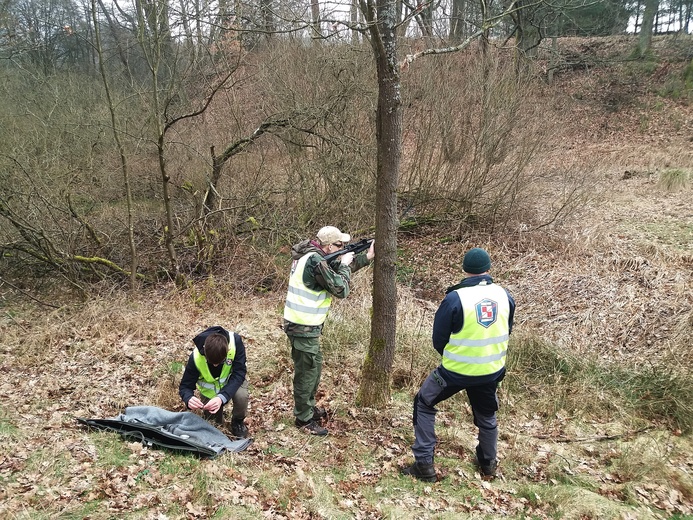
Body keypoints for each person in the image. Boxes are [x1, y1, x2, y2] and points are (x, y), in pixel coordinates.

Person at [402, 247, 515, 482]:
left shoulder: (455, 298)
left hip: (455, 372)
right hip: (490, 371)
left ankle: (424, 464)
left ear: (464, 270)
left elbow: (438, 339)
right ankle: (488, 463)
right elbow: (507, 330)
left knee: (423, 402)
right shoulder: (505, 296)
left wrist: (456, 356)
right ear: (488, 269)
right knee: (486, 415)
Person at [283, 226, 375, 435]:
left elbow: (334, 271)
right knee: (307, 373)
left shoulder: (312, 256)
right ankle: (303, 419)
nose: (342, 249)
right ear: (328, 246)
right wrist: (344, 264)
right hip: (302, 327)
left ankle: (307, 408)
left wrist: (367, 256)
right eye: (339, 245)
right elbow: (340, 288)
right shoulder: (315, 260)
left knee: (313, 369)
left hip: (305, 326)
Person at [179, 326, 250, 439]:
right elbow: (185, 387)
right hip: (210, 394)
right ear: (204, 352)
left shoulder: (235, 342)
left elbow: (239, 372)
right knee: (214, 426)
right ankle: (218, 419)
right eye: (211, 362)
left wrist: (222, 397)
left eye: (220, 362)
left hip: (232, 382)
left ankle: (237, 422)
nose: (215, 366)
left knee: (241, 396)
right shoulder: (196, 357)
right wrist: (188, 398)